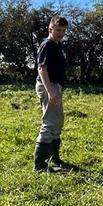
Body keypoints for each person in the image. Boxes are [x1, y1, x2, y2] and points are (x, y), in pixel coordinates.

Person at [34, 15, 69, 172]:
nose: (61, 33)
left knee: (57, 121)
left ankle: (54, 158)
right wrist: (51, 91)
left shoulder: (58, 45)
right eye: (58, 30)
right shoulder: (47, 45)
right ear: (50, 29)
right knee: (49, 123)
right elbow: (42, 68)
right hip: (49, 86)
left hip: (55, 87)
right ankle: (40, 165)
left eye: (63, 30)